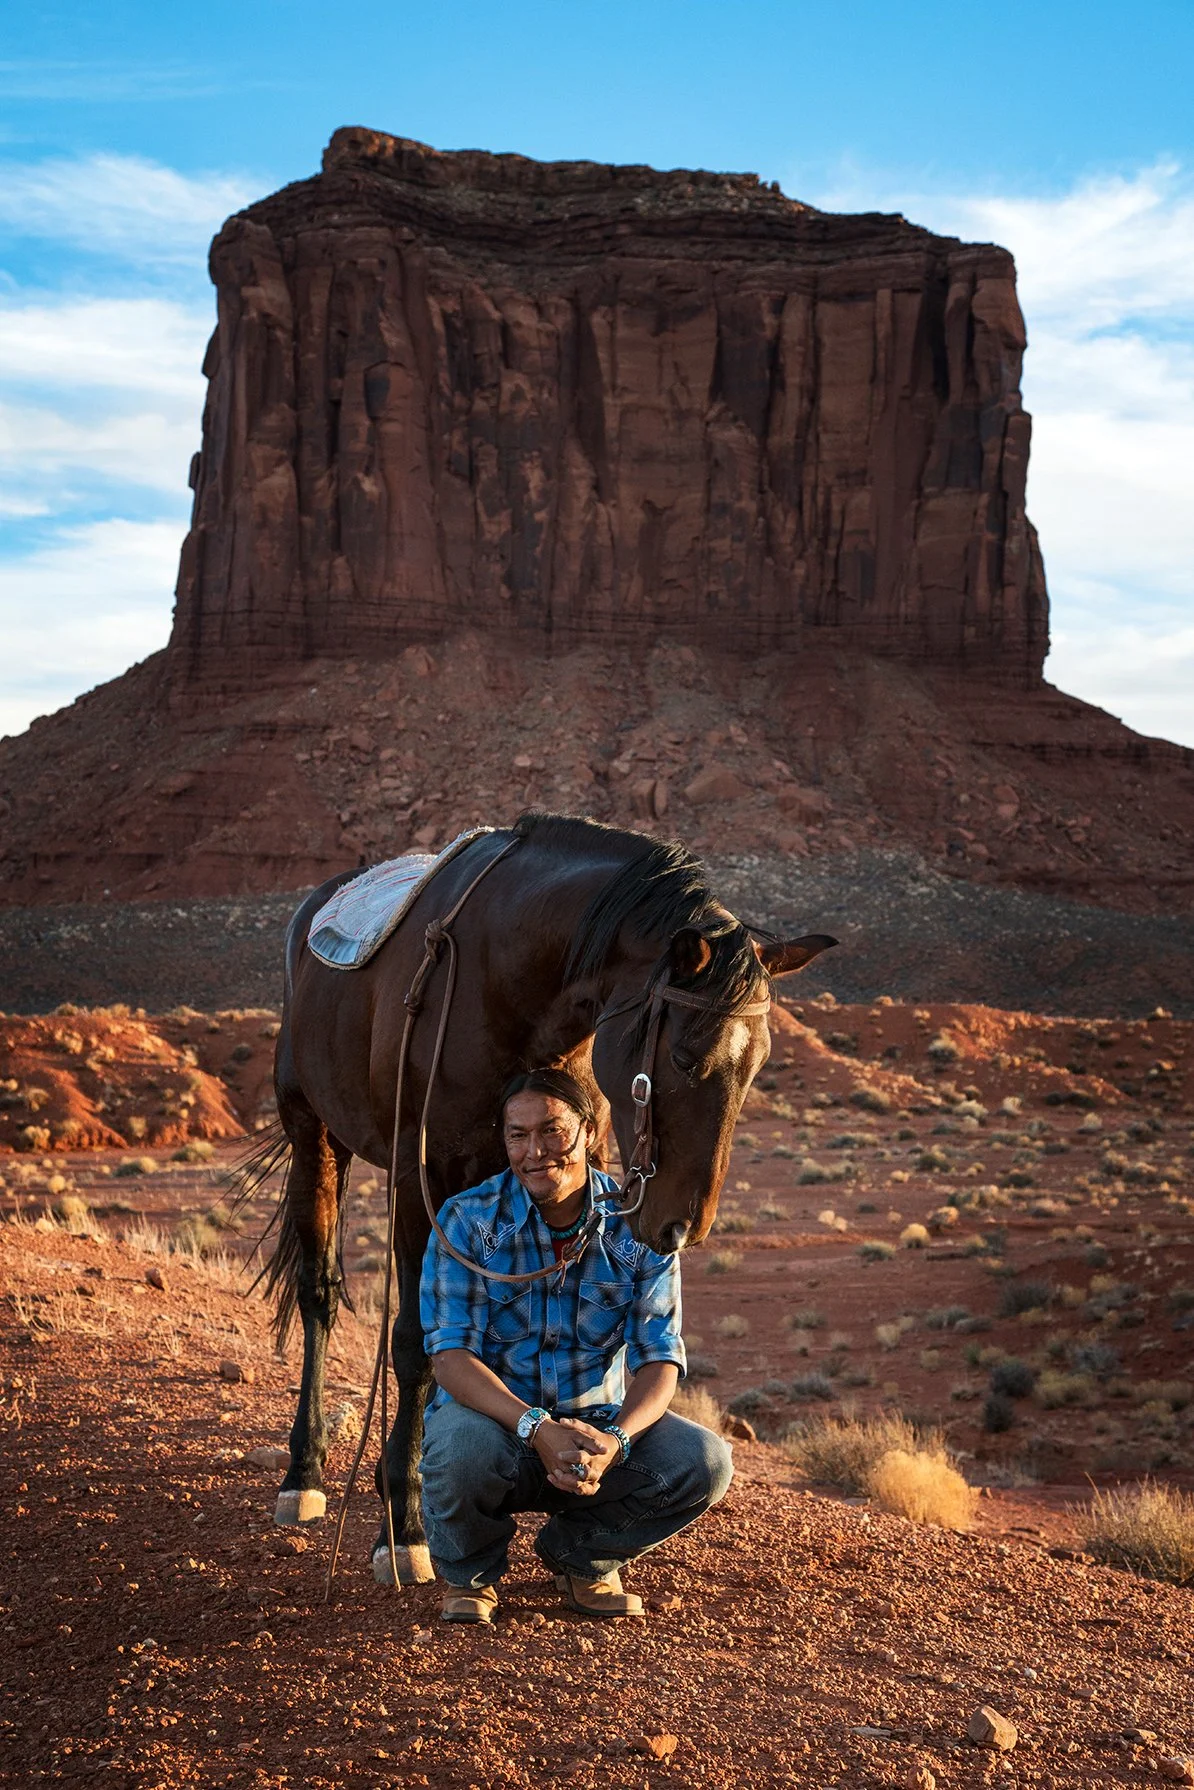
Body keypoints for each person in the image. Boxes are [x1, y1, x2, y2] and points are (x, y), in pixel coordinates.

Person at [419, 1066, 733, 1624]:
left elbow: (659, 1355)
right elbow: (450, 1358)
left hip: (595, 1434)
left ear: (589, 1131)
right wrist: (535, 1428)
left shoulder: (638, 1222)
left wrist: (616, 1439)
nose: (535, 1152)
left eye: (552, 1131)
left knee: (703, 1461)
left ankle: (583, 1557)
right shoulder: (467, 1221)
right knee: (458, 1447)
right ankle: (470, 1574)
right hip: (500, 1428)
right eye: (518, 1135)